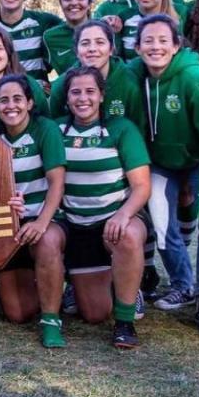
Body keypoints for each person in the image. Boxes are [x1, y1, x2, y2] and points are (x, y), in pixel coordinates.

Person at [129, 14, 199, 322]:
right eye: (148, 41)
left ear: (176, 45)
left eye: (162, 40)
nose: (155, 47)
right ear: (137, 47)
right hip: (160, 161)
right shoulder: (135, 74)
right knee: (160, 219)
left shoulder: (194, 80)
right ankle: (183, 284)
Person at [55, 66, 151, 348]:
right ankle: (111, 279)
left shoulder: (121, 128)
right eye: (75, 92)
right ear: (67, 97)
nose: (82, 98)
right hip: (77, 225)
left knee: (127, 235)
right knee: (95, 314)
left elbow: (142, 186)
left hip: (114, 218)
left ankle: (125, 320)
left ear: (101, 95)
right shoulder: (56, 130)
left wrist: (123, 214)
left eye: (90, 91)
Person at [0, 74, 67, 346]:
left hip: (43, 218)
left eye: (17, 99)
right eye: (4, 100)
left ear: (30, 103)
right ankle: (45, 281)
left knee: (47, 241)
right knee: (19, 313)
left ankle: (51, 320)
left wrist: (41, 222)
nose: (11, 106)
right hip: (7, 225)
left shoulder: (45, 129)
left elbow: (57, 182)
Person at [48, 20, 143, 123]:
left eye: (100, 42)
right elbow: (56, 126)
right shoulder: (62, 86)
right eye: (85, 43)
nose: (92, 49)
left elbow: (138, 126)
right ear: (76, 51)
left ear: (111, 49)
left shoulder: (130, 82)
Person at [42, 0, 93, 74]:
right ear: (61, 4)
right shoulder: (50, 38)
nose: (74, 2)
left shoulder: (105, 30)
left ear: (89, 4)